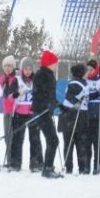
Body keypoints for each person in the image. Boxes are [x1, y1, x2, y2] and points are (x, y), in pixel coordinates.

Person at [31, 50, 62, 178]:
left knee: (52, 140)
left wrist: (58, 104)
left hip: (45, 112)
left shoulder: (48, 74)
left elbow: (50, 95)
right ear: (49, 63)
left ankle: (48, 167)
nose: (56, 65)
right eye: (55, 63)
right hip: (41, 112)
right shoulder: (42, 75)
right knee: (53, 140)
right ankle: (47, 168)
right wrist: (47, 105)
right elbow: (40, 94)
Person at [58, 63, 90, 174]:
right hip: (71, 116)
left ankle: (82, 167)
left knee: (81, 142)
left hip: (81, 116)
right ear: (81, 73)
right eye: (86, 71)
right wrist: (77, 101)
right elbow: (69, 98)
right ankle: (69, 167)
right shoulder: (74, 83)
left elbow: (86, 98)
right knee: (69, 142)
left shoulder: (84, 83)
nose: (88, 73)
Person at [6, 57, 35, 171]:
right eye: (26, 69)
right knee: (18, 139)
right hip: (19, 113)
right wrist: (17, 93)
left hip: (32, 112)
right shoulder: (17, 80)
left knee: (34, 139)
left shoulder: (35, 79)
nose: (28, 71)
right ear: (22, 69)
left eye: (30, 69)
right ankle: (15, 164)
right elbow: (8, 96)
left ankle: (35, 163)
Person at [84, 59, 100, 174]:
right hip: (87, 113)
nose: (89, 72)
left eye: (91, 69)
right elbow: (85, 95)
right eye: (87, 69)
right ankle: (86, 165)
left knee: (97, 141)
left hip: (99, 113)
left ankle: (96, 165)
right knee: (87, 141)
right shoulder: (85, 80)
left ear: (96, 69)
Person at [0, 55, 17, 166]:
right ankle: (10, 159)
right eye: (5, 66)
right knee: (7, 136)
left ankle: (13, 160)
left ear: (13, 66)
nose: (7, 68)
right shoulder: (3, 78)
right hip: (6, 111)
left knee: (12, 137)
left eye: (9, 65)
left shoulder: (16, 78)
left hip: (15, 111)